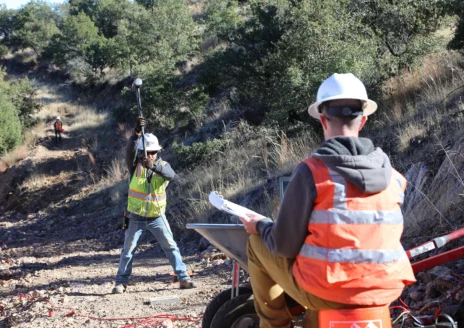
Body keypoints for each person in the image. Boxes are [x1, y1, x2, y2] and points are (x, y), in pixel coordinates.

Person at [239, 73, 416, 328]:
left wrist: (260, 226)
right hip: (384, 291)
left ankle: (275, 325)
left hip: (328, 292)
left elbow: (283, 245)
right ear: (363, 120)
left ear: (322, 120)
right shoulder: (395, 179)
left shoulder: (312, 172)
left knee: (257, 245)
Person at [112, 117, 197, 293]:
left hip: (157, 217)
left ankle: (183, 278)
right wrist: (136, 134)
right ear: (142, 151)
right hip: (136, 217)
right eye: (147, 152)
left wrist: (154, 167)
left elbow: (171, 175)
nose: (150, 155)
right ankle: (120, 283)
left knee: (171, 246)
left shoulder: (164, 166)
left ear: (158, 151)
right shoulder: (135, 166)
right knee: (128, 251)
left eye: (153, 152)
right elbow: (129, 150)